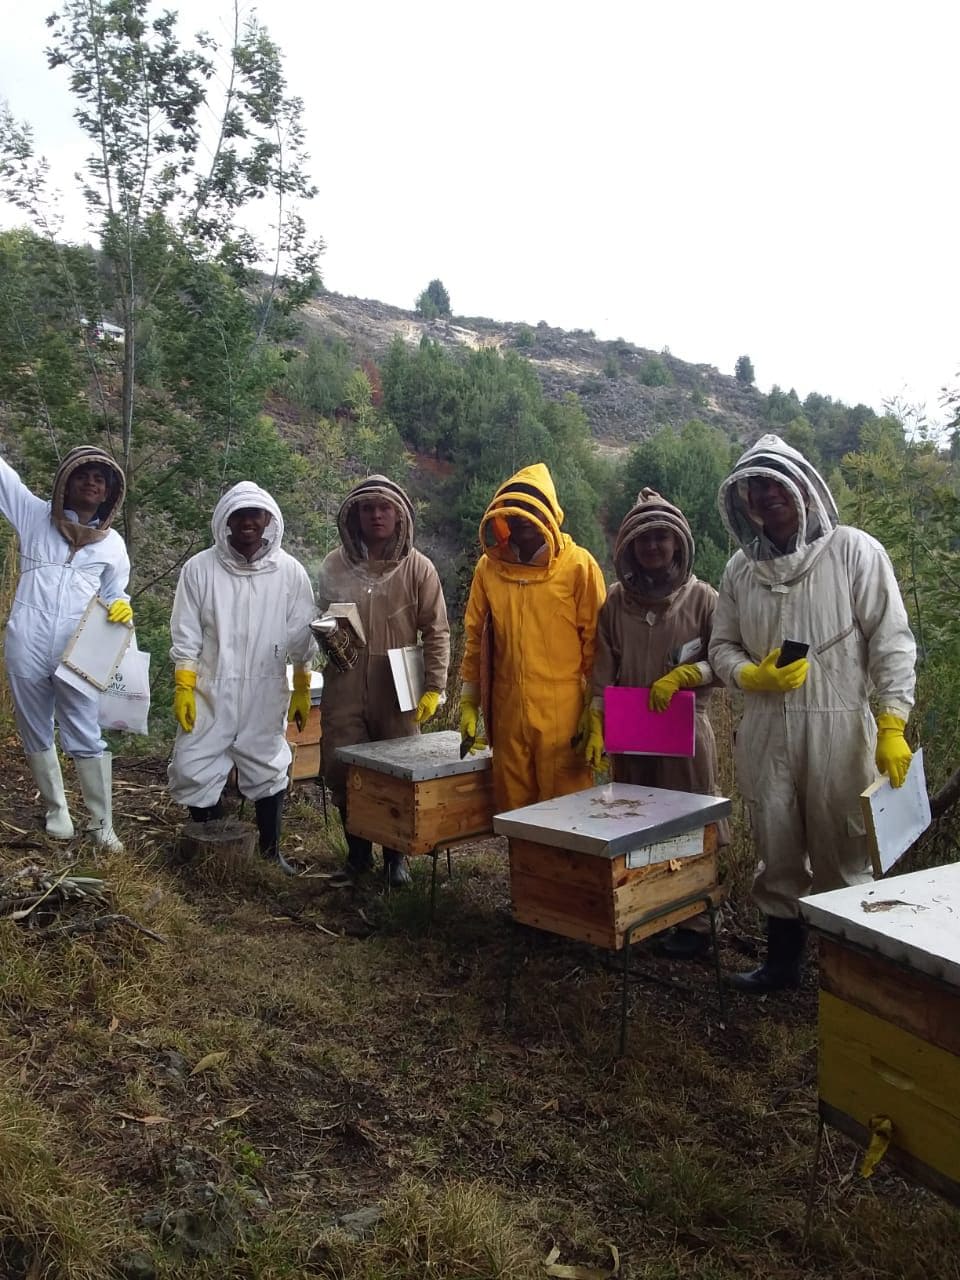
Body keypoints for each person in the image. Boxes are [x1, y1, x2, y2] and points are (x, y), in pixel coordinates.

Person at [709, 434, 917, 993]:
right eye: (756, 485)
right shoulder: (739, 570)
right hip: (765, 728)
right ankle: (781, 970)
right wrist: (748, 675)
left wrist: (893, 723)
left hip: (841, 727)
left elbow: (892, 642)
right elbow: (721, 645)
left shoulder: (855, 551)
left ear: (803, 488)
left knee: (845, 854)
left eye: (777, 482)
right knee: (776, 851)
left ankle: (851, 983)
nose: (768, 494)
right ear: (743, 500)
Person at [586, 488, 729, 959]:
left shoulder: (704, 598)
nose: (653, 547)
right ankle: (644, 913)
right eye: (644, 539)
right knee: (636, 824)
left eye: (662, 537)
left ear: (677, 543)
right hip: (631, 733)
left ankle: (695, 923)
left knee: (688, 822)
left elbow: (724, 660)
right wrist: (596, 718)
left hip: (686, 730)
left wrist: (695, 673)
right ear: (630, 546)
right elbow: (603, 669)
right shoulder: (615, 603)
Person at [167, 482, 317, 870]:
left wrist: (302, 685)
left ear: (269, 520)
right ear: (226, 521)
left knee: (268, 763)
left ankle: (270, 855)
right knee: (193, 764)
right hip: (210, 685)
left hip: (266, 686)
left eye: (256, 514)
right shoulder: (199, 569)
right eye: (240, 515)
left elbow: (302, 633)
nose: (249, 522)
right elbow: (186, 631)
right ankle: (212, 850)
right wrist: (184, 686)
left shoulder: (290, 572)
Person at [317, 475, 450, 887]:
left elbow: (437, 630)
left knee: (397, 773)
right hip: (344, 681)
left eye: (384, 508)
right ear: (354, 515)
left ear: (399, 515)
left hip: (398, 685)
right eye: (367, 508)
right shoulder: (333, 564)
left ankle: (397, 861)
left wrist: (434, 687)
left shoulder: (419, 567)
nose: (376, 515)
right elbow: (318, 619)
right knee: (344, 768)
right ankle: (358, 859)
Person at [0, 445, 131, 851]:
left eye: (100, 479)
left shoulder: (112, 545)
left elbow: (114, 593)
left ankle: (101, 821)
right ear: (65, 482)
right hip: (28, 640)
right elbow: (5, 479)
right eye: (83, 475)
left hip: (79, 650)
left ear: (109, 493)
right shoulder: (33, 515)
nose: (91, 483)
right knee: (35, 727)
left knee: (85, 731)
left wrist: (120, 606)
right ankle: (58, 809)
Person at [459, 462, 606, 813]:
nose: (523, 518)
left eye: (531, 509)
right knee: (514, 810)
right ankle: (523, 870)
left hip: (564, 711)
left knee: (566, 812)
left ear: (549, 513)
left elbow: (599, 648)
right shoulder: (489, 568)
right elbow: (476, 639)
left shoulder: (578, 566)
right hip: (506, 710)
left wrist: (597, 711)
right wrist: (469, 701)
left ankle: (567, 871)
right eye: (516, 510)